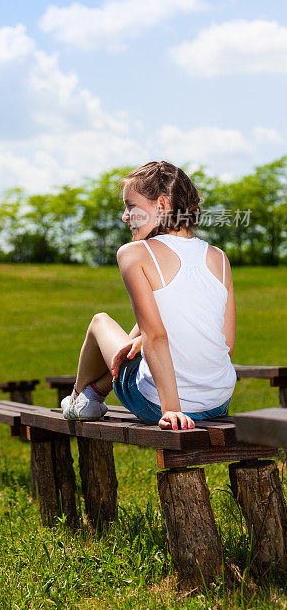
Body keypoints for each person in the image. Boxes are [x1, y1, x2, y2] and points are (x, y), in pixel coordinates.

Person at [62, 160, 237, 430]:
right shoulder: (218, 257)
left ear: (162, 205)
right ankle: (91, 395)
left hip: (160, 403)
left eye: (131, 206)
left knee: (100, 322)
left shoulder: (134, 253)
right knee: (138, 341)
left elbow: (156, 335)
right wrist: (142, 338)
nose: (124, 216)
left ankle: (81, 398)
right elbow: (225, 341)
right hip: (218, 401)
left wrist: (171, 410)